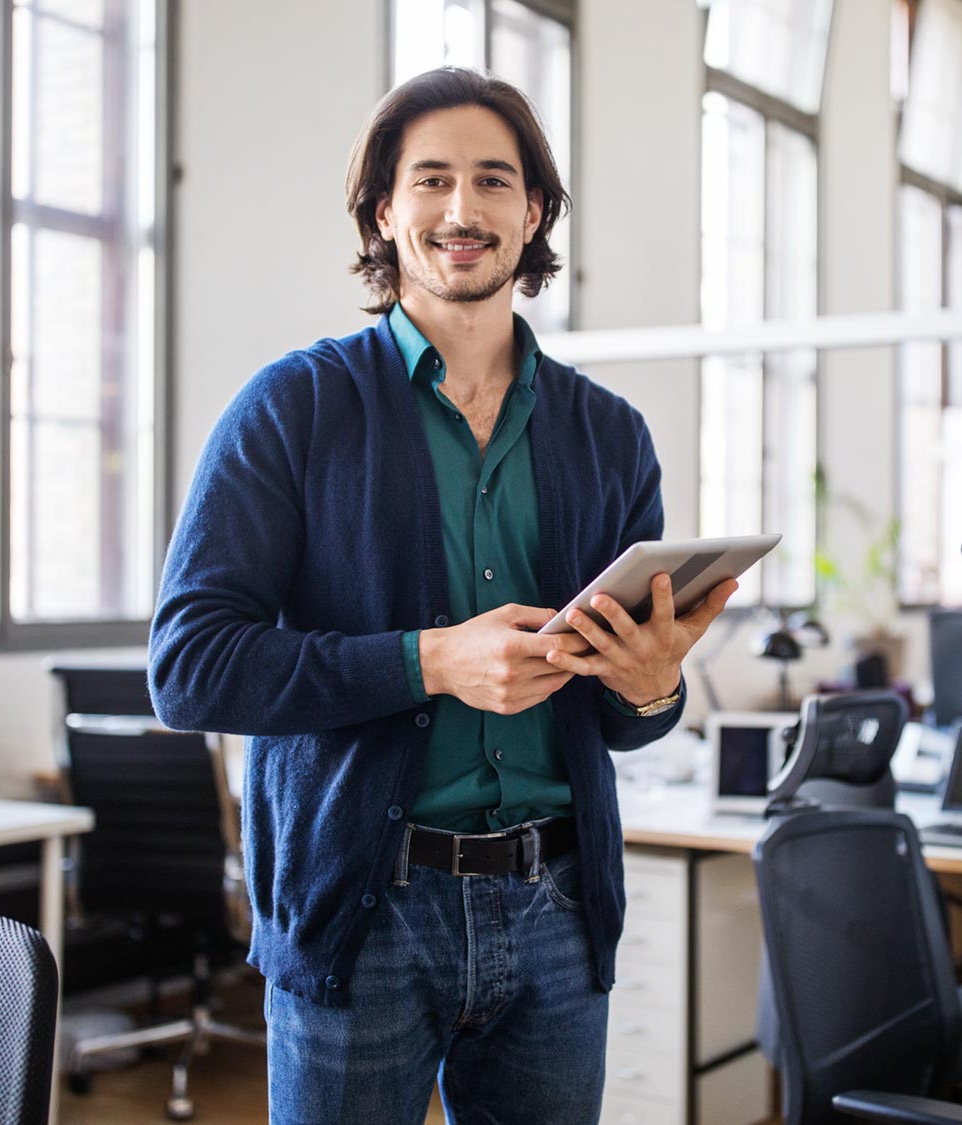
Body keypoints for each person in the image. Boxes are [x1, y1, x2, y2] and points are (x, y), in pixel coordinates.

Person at [148, 66, 738, 1124]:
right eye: (429, 181)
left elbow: (618, 720)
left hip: (558, 910)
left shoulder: (608, 437)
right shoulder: (293, 408)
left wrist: (652, 689)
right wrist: (429, 660)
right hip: (362, 912)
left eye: (493, 182)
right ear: (383, 209)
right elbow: (188, 670)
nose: (461, 212)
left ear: (534, 213)